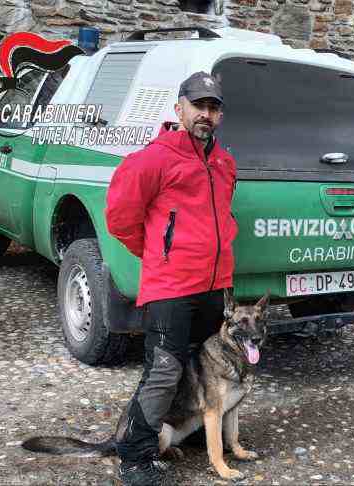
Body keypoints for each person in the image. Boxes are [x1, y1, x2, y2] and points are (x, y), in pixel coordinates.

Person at [104, 71, 237, 486]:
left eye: (214, 107)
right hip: (172, 286)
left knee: (203, 363)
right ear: (179, 107)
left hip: (215, 284)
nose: (206, 114)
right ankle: (134, 454)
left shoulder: (224, 162)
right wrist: (159, 255)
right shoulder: (152, 159)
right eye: (198, 105)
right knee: (164, 369)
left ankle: (192, 429)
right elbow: (120, 218)